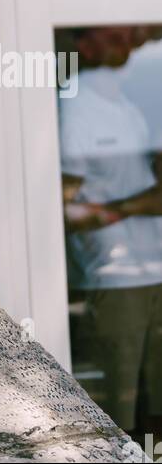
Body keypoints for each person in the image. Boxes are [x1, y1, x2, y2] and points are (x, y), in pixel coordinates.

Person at [60, 25, 162, 435]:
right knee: (120, 408)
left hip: (153, 268)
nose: (124, 40)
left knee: (156, 402)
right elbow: (62, 209)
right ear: (83, 44)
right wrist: (140, 204)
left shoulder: (126, 109)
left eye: (127, 35)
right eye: (111, 33)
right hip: (114, 277)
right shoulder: (78, 109)